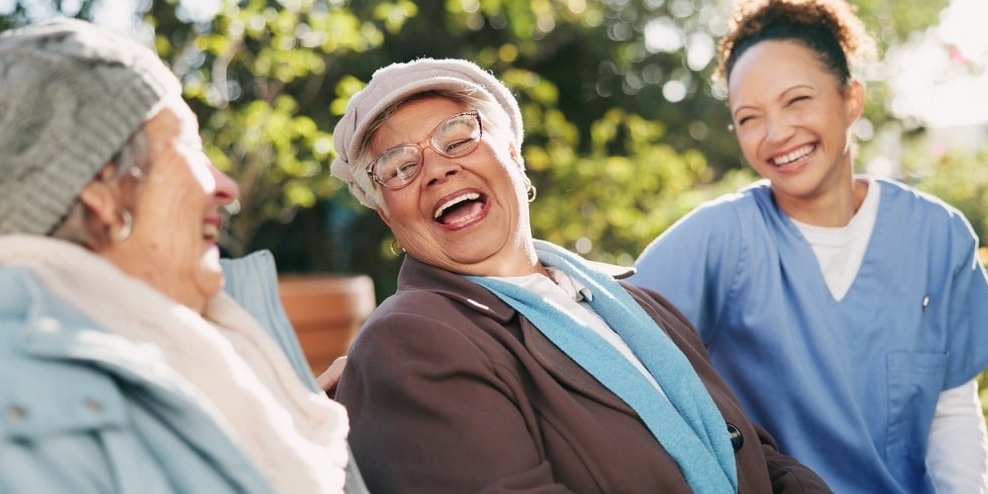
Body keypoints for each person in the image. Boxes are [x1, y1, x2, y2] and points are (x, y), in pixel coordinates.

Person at [328, 56, 830, 493]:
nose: (437, 170)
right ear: (387, 214)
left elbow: (758, 460)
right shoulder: (408, 340)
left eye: (458, 138)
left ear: (514, 156)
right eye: (399, 168)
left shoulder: (638, 305)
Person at [630, 0, 988, 492]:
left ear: (851, 99)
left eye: (797, 100)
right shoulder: (717, 240)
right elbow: (614, 346)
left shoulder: (937, 237)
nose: (777, 134)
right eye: (749, 118)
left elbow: (951, 412)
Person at [0, 18, 367, 493]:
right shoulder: (32, 413)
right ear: (102, 191)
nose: (226, 187)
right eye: (190, 147)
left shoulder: (223, 351)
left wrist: (281, 425)